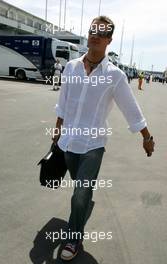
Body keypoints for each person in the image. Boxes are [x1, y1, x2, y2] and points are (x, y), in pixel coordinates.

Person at [53, 16, 155, 261]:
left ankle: (73, 239)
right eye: (92, 31)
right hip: (69, 142)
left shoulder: (115, 75)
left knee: (79, 194)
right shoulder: (71, 67)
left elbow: (131, 108)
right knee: (81, 190)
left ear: (108, 40)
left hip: (93, 145)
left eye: (101, 33)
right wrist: (57, 130)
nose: (94, 35)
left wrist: (146, 136)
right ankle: (85, 202)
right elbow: (63, 103)